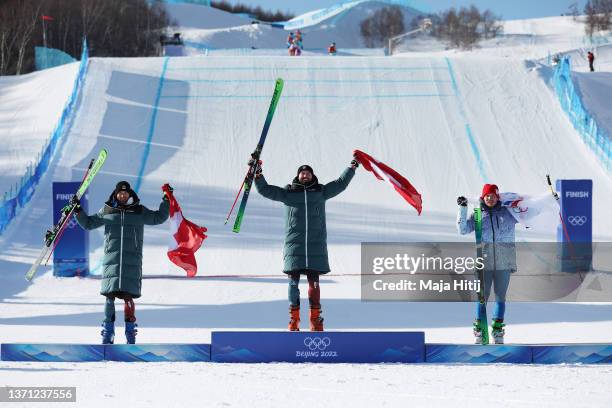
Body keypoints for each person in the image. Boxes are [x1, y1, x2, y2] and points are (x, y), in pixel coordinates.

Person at [254, 159, 358, 331]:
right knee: (293, 284)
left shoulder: (321, 192)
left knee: (314, 284)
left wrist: (352, 167)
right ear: (298, 175)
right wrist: (258, 174)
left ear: (312, 176)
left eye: (308, 173)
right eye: (302, 173)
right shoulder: (288, 193)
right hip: (294, 246)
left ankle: (315, 320)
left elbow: (340, 184)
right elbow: (265, 190)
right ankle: (294, 320)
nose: (305, 175)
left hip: (315, 245)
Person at [74, 181, 170, 344]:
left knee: (128, 297)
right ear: (116, 194)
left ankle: (130, 333)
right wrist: (77, 210)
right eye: (120, 193)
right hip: (112, 262)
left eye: (125, 193)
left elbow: (158, 218)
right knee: (109, 297)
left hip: (131, 262)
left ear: (130, 195)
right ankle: (108, 333)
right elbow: (88, 223)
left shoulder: (139, 211)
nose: (123, 195)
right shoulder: (107, 211)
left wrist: (166, 200)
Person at [457, 184, 518, 344]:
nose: (490, 198)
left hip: (504, 262)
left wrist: (548, 201)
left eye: (493, 195)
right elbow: (462, 230)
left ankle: (497, 331)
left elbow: (529, 215)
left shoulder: (508, 213)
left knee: (500, 298)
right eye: (487, 196)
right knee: (482, 298)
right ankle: (480, 331)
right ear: (482, 197)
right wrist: (462, 209)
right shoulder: (477, 215)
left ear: (498, 197)